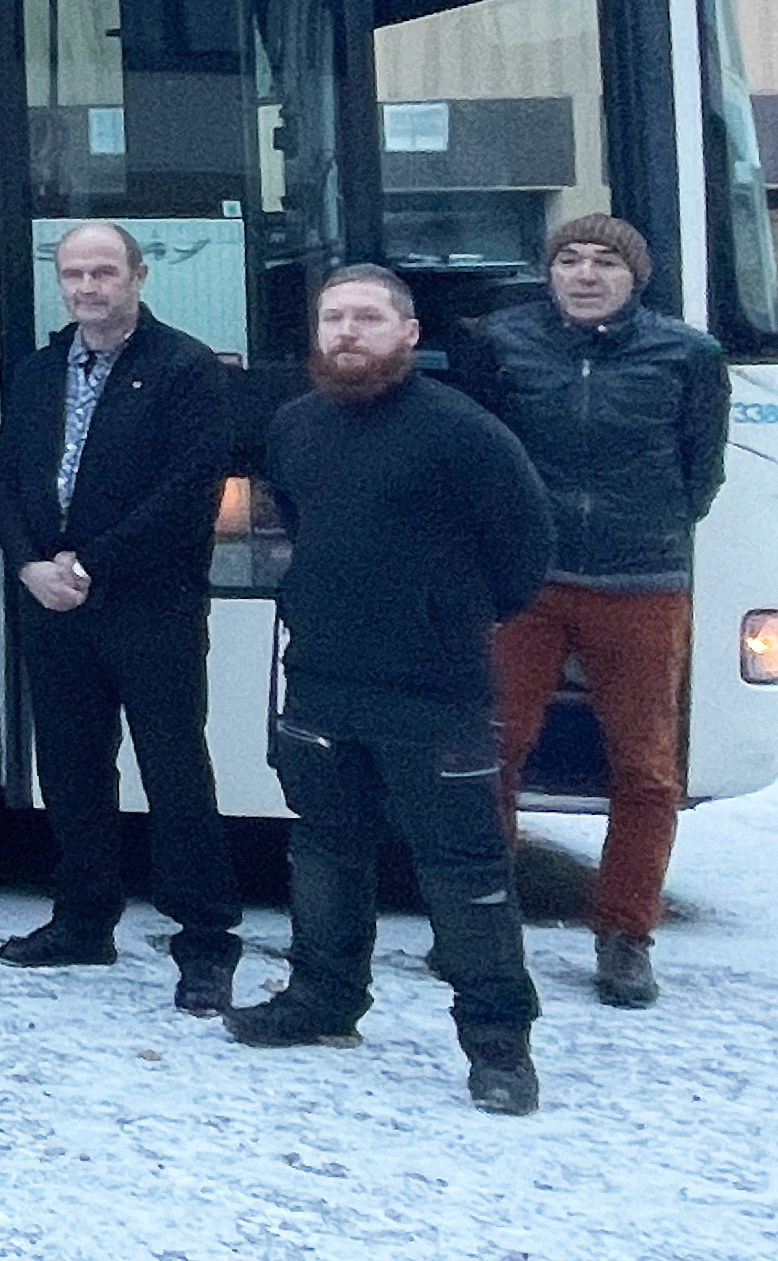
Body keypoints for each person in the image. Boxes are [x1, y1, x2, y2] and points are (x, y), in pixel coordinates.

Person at [227, 266, 554, 1116]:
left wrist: (442, 612)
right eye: (334, 317)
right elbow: (303, 533)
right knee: (325, 854)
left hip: (435, 692)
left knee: (464, 872)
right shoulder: (294, 428)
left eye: (368, 317)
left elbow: (522, 559)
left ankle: (497, 1044)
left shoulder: (465, 434)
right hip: (324, 679)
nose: (347, 332)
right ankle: (324, 1000)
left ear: (408, 333)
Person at [0, 223, 240, 1011]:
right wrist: (28, 564)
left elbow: (186, 490)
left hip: (147, 604)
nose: (88, 288)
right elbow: (5, 480)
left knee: (173, 771)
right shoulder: (34, 373)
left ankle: (204, 943)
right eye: (73, 275)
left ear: (138, 276)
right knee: (70, 768)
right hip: (53, 606)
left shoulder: (186, 369)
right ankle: (83, 919)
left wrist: (89, 564)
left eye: (104, 272)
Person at [473, 213, 725, 1011]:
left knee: (646, 770)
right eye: (570, 260)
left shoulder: (687, 354)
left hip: (642, 581)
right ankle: (485, 923)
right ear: (548, 273)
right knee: (491, 753)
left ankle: (624, 935)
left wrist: (645, 526)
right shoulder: (505, 344)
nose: (586, 275)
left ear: (634, 277)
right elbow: (486, 451)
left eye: (604, 263)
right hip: (528, 582)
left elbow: (700, 473)